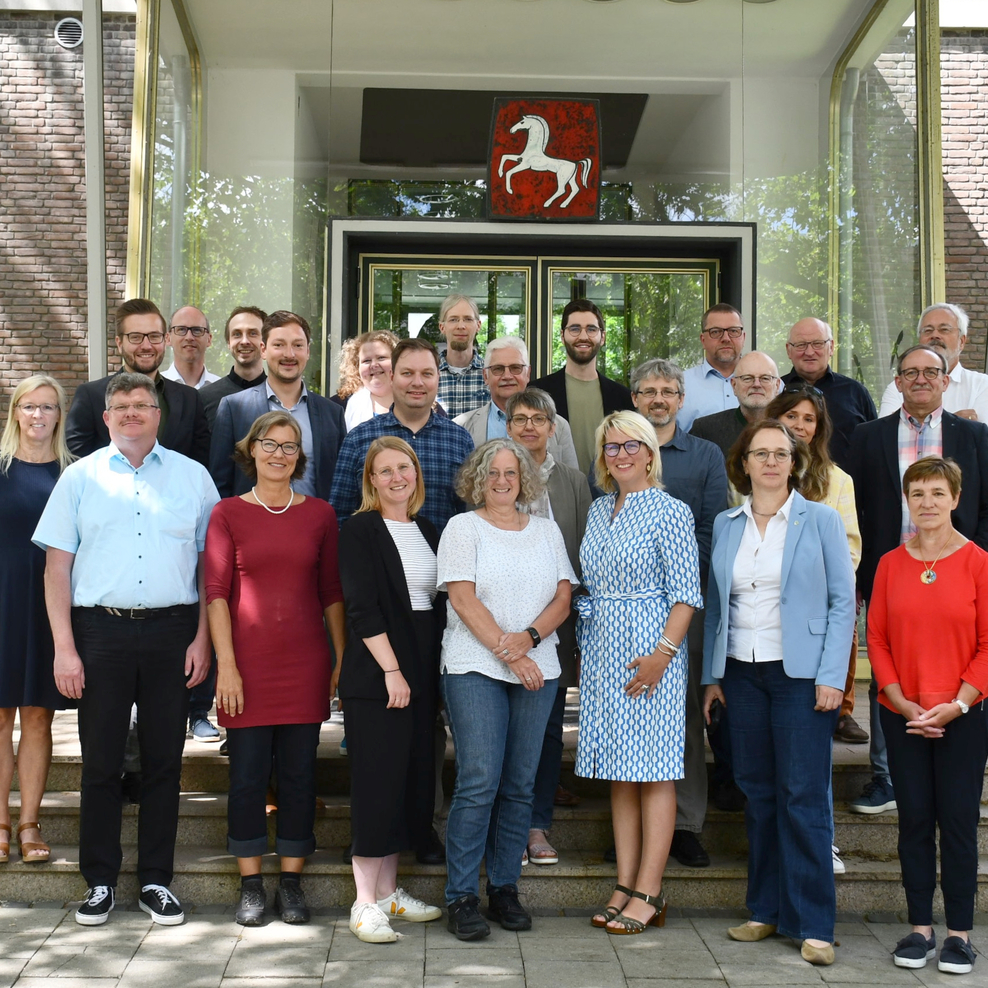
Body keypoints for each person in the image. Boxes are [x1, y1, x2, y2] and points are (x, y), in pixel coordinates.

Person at [34, 372, 220, 927]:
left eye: (142, 404)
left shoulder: (194, 478)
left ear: (157, 414)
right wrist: (64, 649)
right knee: (101, 764)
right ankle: (99, 883)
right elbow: (56, 569)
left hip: (173, 633)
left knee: (166, 761)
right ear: (106, 417)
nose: (132, 412)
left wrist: (203, 640)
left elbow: (212, 571)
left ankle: (156, 882)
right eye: (122, 406)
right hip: (101, 634)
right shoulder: (78, 479)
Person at [701, 419, 856, 967]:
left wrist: (834, 677)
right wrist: (711, 676)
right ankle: (764, 910)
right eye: (759, 453)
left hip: (801, 676)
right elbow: (718, 605)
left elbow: (842, 602)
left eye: (780, 453)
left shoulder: (821, 521)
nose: (769, 461)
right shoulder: (726, 523)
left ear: (795, 463)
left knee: (803, 796)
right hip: (742, 674)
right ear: (743, 463)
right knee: (758, 793)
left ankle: (814, 922)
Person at [205, 411, 345, 926]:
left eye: (290, 446)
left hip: (306, 663)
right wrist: (228, 668)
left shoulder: (321, 515)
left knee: (298, 775)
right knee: (245, 778)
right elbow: (216, 596)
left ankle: (290, 882)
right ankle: (250, 885)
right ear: (252, 449)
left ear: (299, 457)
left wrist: (342, 659)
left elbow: (332, 594)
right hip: (246, 667)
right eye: (270, 443)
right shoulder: (227, 514)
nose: (279, 454)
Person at [439, 439, 577, 940]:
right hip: (476, 664)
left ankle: (504, 888)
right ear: (478, 478)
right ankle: (461, 896)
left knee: (520, 782)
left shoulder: (545, 530)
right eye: (493, 472)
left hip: (537, 665)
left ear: (524, 480)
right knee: (478, 779)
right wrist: (510, 650)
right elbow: (462, 596)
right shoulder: (463, 527)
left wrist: (531, 640)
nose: (502, 481)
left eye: (511, 473)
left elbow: (564, 596)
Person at [847, 344, 988, 815]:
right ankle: (886, 777)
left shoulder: (976, 436)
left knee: (964, 657)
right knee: (884, 662)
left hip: (957, 572)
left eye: (932, 372)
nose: (921, 379)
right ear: (898, 382)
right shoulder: (868, 437)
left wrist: (974, 560)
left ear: (947, 381)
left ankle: (956, 759)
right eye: (911, 372)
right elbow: (859, 508)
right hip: (890, 572)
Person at [576, 411, 701, 935]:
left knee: (654, 772)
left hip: (652, 655)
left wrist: (662, 656)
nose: (621, 455)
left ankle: (650, 890)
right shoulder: (600, 508)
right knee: (620, 774)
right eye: (611, 447)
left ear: (650, 452)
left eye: (631, 446)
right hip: (604, 651)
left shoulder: (670, 510)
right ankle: (624, 884)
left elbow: (686, 594)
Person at [867, 457, 988, 976]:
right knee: (914, 819)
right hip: (904, 713)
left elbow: (987, 645)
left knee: (958, 821)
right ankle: (920, 927)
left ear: (956, 499)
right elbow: (876, 637)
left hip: (964, 712)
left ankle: (959, 934)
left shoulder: (980, 562)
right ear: (906, 500)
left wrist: (957, 703)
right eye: (917, 494)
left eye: (938, 493)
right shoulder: (890, 563)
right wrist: (900, 700)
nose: (928, 503)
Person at [338, 437, 445, 942]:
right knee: (377, 783)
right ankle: (363, 903)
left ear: (416, 474)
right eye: (386, 470)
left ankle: (388, 895)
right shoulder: (359, 530)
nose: (397, 476)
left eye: (405, 467)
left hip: (421, 673)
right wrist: (392, 671)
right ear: (372, 480)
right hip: (380, 675)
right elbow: (361, 608)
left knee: (410, 781)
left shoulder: (428, 529)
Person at [631, 360, 729, 869]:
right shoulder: (618, 452)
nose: (658, 399)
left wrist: (678, 594)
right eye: (648, 391)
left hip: (681, 612)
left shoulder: (705, 455)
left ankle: (686, 826)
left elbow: (712, 531)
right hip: (625, 616)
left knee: (684, 717)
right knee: (631, 718)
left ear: (681, 398)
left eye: (667, 391)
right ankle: (633, 834)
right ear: (635, 399)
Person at [504, 388, 593, 865]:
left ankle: (536, 826)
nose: (530, 428)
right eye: (520, 419)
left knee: (546, 730)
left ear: (553, 428)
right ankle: (505, 825)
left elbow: (580, 553)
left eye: (539, 419)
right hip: (499, 627)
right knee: (502, 730)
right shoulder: (494, 476)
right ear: (508, 425)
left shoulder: (576, 482)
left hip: (556, 624)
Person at [0, 375, 75, 865]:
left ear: (58, 416)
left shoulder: (74, 474)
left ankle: (29, 822)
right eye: (29, 406)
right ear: (16, 413)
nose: (38, 416)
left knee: (37, 717)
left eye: (47, 407)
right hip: (2, 602)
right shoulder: (0, 468)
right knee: (0, 716)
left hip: (50, 607)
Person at [765, 386, 865, 747]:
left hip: (815, 600)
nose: (800, 425)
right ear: (775, 418)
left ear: (819, 427)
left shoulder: (838, 480)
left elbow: (850, 549)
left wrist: (811, 587)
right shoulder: (752, 471)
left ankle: (840, 710)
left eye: (809, 418)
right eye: (791, 415)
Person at [331, 338, 475, 532]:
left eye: (427, 373)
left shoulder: (460, 440)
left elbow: (470, 515)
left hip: (442, 560)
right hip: (376, 561)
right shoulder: (359, 439)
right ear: (391, 376)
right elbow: (340, 516)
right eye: (407, 373)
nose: (417, 382)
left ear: (437, 378)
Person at [210, 310, 346, 500]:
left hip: (315, 526)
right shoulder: (234, 408)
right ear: (264, 350)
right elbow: (219, 485)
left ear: (307, 351)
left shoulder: (332, 413)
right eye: (279, 345)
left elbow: (342, 486)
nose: (289, 354)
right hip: (252, 526)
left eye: (297, 345)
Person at [65, 298, 210, 466]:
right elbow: (75, 464)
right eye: (136, 337)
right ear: (119, 343)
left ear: (165, 339)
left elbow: (201, 465)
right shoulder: (91, 396)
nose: (146, 346)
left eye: (154, 336)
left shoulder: (190, 399)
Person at [532, 299, 634, 473]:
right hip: (555, 491)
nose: (583, 336)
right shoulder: (537, 392)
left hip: (610, 492)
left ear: (602, 337)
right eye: (575, 329)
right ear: (562, 336)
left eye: (591, 329)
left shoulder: (623, 397)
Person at [455, 336, 579, 470]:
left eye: (515, 368)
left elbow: (570, 483)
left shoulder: (559, 426)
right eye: (498, 369)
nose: (507, 376)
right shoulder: (462, 427)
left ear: (528, 373)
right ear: (485, 376)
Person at [780, 317, 876, 471]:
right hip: (787, 487)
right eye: (801, 345)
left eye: (817, 344)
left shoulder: (855, 392)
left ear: (831, 347)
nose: (809, 352)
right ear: (788, 350)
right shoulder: (777, 390)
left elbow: (874, 448)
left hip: (847, 489)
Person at [879, 304, 988, 423]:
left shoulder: (982, 386)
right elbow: (887, 435)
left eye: (944, 329)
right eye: (928, 330)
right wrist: (956, 423)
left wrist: (912, 424)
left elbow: (983, 438)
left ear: (961, 341)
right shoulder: (899, 387)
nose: (935, 335)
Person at [690, 351, 781, 458]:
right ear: (734, 386)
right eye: (747, 378)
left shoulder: (790, 428)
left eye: (765, 378)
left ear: (777, 386)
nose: (756, 384)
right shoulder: (705, 430)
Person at [679, 303, 746, 432]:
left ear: (743, 337)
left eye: (733, 331)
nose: (726, 338)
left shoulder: (769, 383)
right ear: (703, 340)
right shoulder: (680, 385)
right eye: (715, 332)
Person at [200, 306, 268, 429]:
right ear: (228, 343)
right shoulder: (204, 398)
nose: (244, 341)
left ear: (265, 342)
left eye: (253, 333)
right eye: (237, 334)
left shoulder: (278, 396)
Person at [437, 294, 489, 418]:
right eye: (453, 319)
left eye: (468, 319)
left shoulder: (490, 374)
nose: (461, 326)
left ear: (478, 325)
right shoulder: (427, 374)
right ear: (442, 327)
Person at [340, 330, 399, 431]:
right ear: (356, 367)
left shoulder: (416, 399)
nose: (374, 365)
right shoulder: (341, 406)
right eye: (366, 361)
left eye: (381, 358)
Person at [161, 305, 220, 390]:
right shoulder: (154, 388)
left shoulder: (222, 391)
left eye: (197, 330)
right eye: (181, 329)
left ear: (209, 339)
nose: (189, 337)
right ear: (168, 338)